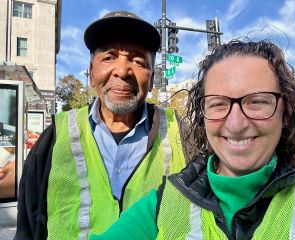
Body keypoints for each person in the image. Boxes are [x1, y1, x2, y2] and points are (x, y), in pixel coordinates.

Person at [90, 39, 295, 240]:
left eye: (257, 101)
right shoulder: (163, 203)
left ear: (285, 111)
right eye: (218, 104)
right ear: (203, 116)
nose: (236, 124)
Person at [14, 11, 187, 240]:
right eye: (109, 57)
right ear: (91, 74)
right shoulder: (54, 139)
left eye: (137, 60)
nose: (123, 70)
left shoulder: (182, 135)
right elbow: (27, 229)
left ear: (152, 78)